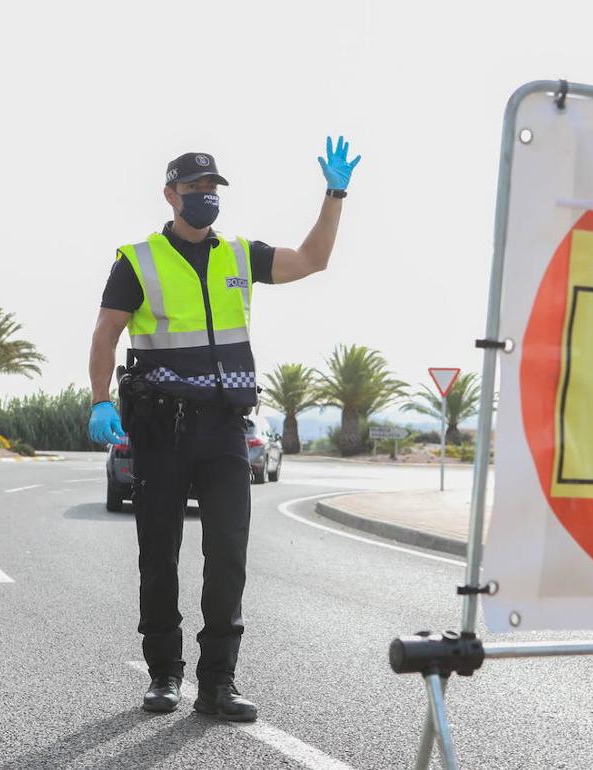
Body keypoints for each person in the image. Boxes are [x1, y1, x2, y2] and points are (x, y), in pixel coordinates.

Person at [86, 137, 361, 722]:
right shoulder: (137, 261)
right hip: (161, 428)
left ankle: (218, 683)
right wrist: (99, 400)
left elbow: (312, 260)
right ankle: (164, 675)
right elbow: (106, 333)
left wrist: (334, 195)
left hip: (225, 430)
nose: (205, 199)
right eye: (194, 191)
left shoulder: (240, 255)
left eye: (212, 191)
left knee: (228, 556)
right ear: (170, 195)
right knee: (159, 553)